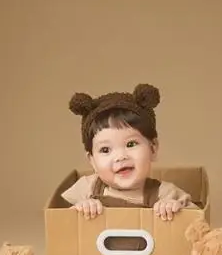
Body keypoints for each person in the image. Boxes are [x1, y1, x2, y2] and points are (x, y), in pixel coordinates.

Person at [62, 83, 196, 221]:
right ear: (92, 161)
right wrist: (80, 208)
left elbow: (197, 220)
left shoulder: (166, 193)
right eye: (105, 149)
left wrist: (175, 209)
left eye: (131, 144)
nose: (120, 157)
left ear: (153, 148)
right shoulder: (86, 188)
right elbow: (58, 221)